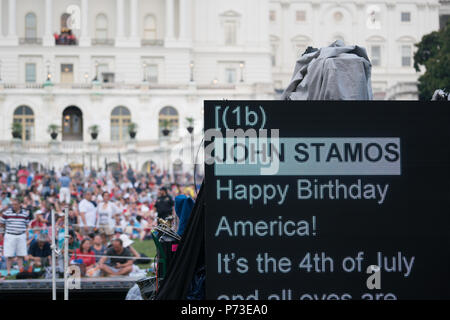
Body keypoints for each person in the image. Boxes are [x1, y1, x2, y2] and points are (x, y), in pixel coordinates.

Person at [0, 198, 30, 276]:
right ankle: (9, 272)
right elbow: (2, 223)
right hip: (10, 234)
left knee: (20, 254)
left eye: (15, 204)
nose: (14, 206)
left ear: (20, 205)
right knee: (9, 255)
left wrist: (26, 233)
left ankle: (21, 271)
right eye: (13, 204)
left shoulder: (25, 214)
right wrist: (2, 233)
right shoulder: (7, 213)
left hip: (21, 235)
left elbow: (27, 225)